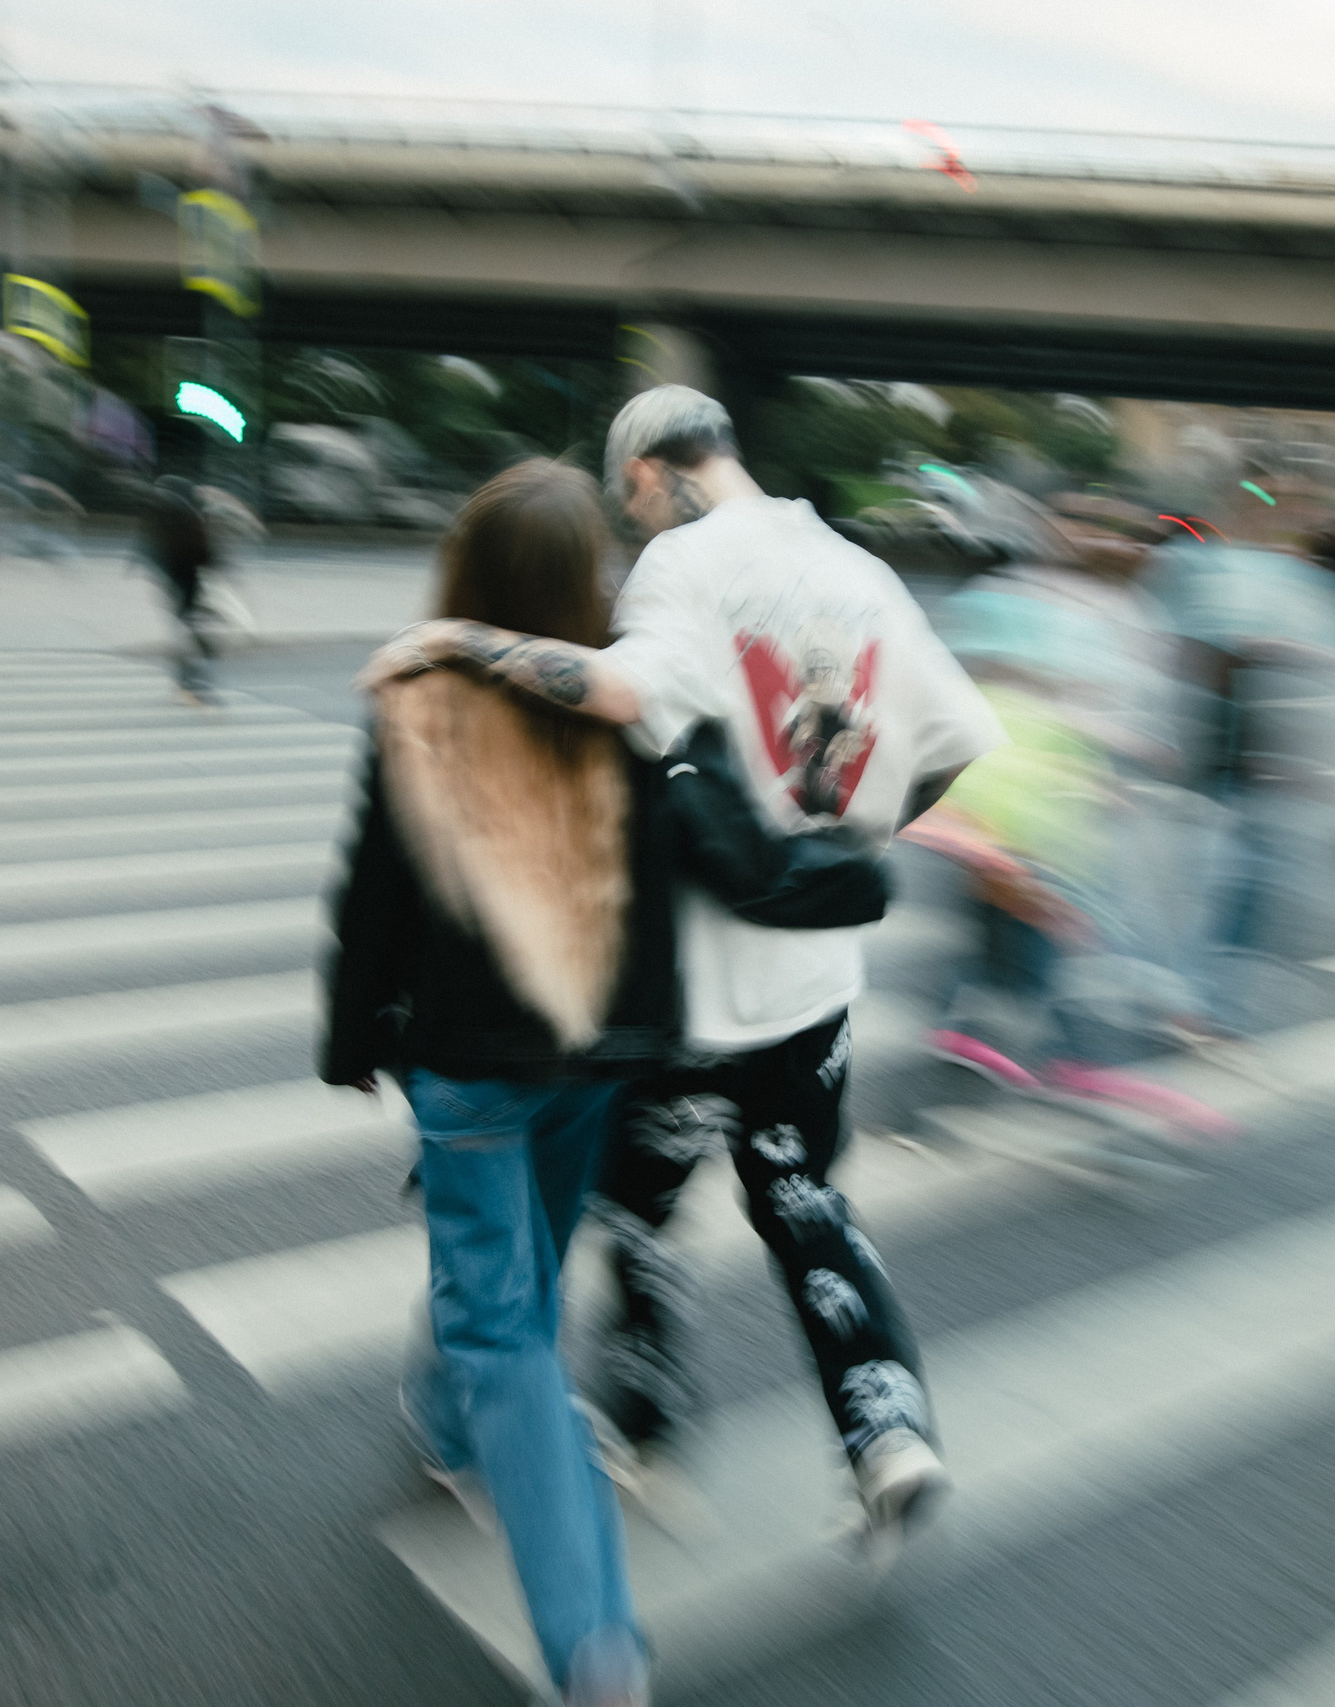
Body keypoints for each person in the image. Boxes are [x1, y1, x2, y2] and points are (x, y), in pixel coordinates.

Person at [366, 385, 1005, 1544]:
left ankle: (646, 1423)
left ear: (654, 470)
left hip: (692, 996)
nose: (635, 523)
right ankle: (887, 1428)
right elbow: (956, 741)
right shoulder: (858, 569)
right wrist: (835, 845)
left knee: (635, 1206)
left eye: (632, 499)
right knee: (805, 1203)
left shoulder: (687, 564)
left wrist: (459, 641)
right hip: (814, 992)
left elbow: (619, 689)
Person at [324, 460, 662, 1707]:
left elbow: (375, 890)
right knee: (515, 1270)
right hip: (601, 1049)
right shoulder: (630, 688)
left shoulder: (422, 695)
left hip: (470, 1059)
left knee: (501, 1319)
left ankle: (591, 1641)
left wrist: (351, 1035)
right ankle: (451, 1425)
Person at [912, 493, 1221, 1136]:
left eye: (1132, 532)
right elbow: (971, 691)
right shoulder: (1013, 595)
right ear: (1052, 529)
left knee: (1023, 937)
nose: (1115, 540)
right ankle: (1068, 1059)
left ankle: (975, 1036)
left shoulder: (1133, 612)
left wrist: (1121, 757)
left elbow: (1115, 709)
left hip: (1060, 799)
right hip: (1015, 798)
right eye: (1089, 524)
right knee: (1064, 933)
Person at [1143, 471, 1335, 1038]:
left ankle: (1216, 1004)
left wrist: (1313, 765)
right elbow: (1187, 647)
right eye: (1275, 501)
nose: (1290, 514)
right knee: (1216, 884)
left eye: (1303, 505)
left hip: (1281, 764)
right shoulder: (1204, 565)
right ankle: (1201, 1002)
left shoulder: (1316, 583)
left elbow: (1321, 677)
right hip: (1219, 753)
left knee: (1264, 892)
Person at [139, 475, 221, 703]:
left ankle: (191, 675)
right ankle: (193, 675)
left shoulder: (170, 512)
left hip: (178, 579)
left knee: (187, 629)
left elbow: (151, 542)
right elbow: (204, 549)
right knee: (189, 628)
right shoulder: (187, 513)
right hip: (184, 579)